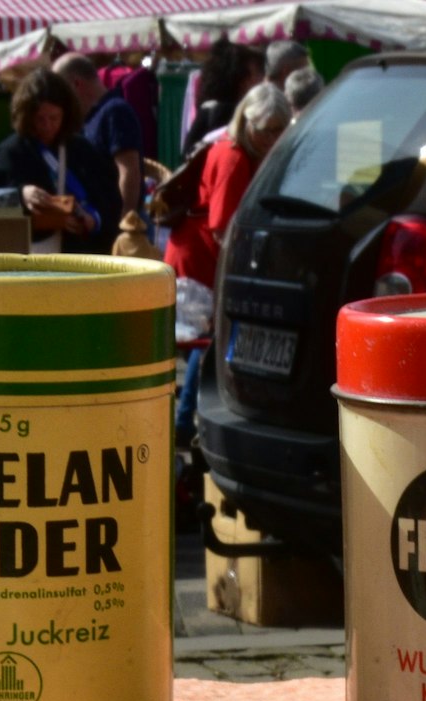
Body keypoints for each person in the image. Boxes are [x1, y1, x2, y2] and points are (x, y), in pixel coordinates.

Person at [166, 83, 292, 443]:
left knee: (207, 341)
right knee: (207, 342)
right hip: (201, 259)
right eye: (267, 129)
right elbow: (223, 225)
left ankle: (185, 419)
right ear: (247, 122)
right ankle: (185, 419)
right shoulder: (234, 156)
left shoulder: (240, 150)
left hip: (205, 254)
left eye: (280, 129)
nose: (273, 137)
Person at [0, 67, 121, 254]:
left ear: (65, 114)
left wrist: (94, 220)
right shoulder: (13, 151)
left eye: (54, 118)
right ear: (28, 117)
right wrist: (21, 195)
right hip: (30, 256)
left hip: (80, 256)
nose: (47, 126)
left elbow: (110, 199)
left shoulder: (82, 149)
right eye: (40, 119)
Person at [55, 52, 144, 221]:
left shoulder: (115, 111)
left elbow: (129, 171)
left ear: (76, 84)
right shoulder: (89, 117)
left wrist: (124, 221)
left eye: (61, 91)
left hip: (119, 223)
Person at [184, 41, 264, 160]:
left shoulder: (208, 110)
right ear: (241, 80)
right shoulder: (227, 116)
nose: (261, 80)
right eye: (256, 74)